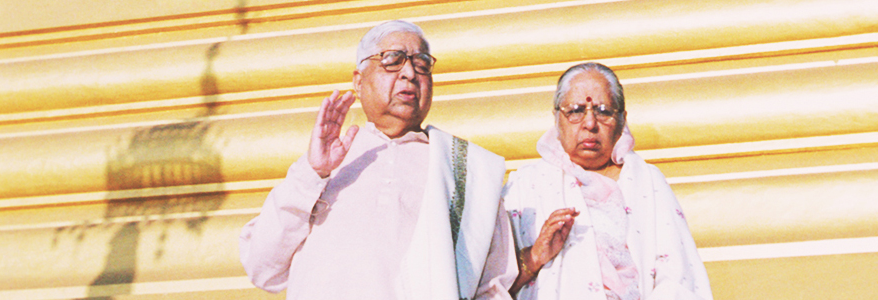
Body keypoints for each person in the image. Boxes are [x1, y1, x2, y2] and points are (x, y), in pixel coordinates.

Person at [239, 20, 516, 300]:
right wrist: (313, 173)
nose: (409, 73)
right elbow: (263, 268)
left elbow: (492, 286)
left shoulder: (463, 171)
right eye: (393, 60)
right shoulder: (324, 164)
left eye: (421, 63)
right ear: (359, 81)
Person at [502, 62, 713, 300]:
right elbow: (483, 285)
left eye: (603, 111)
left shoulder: (647, 182)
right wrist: (534, 256)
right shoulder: (526, 184)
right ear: (557, 118)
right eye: (575, 111)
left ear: (622, 120)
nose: (590, 124)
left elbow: (678, 277)